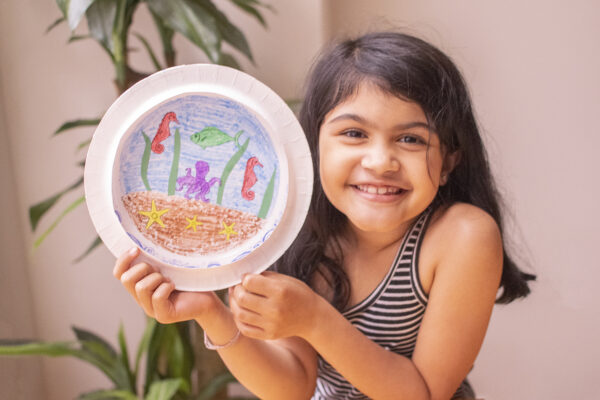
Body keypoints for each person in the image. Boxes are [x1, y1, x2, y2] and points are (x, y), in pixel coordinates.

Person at [113, 31, 535, 400]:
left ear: (447, 163)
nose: (380, 160)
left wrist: (315, 319)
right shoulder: (289, 231)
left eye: (410, 138)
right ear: (312, 149)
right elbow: (293, 388)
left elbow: (423, 393)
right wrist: (210, 312)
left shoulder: (463, 236)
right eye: (354, 133)